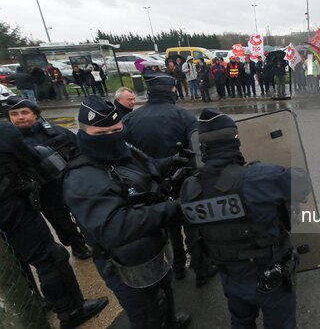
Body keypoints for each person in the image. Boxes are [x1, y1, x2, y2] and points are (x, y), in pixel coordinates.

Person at [62, 96, 191, 329]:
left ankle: (171, 322)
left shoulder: (120, 150)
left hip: (153, 248)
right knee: (146, 315)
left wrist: (171, 162)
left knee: (165, 291)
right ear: (83, 133)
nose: (111, 136)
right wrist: (174, 208)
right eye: (101, 133)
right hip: (126, 264)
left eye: (116, 129)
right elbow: (116, 226)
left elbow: (139, 170)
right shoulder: (83, 178)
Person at [181, 109, 312, 328]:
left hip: (231, 279)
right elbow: (302, 182)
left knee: (241, 323)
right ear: (235, 139)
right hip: (272, 280)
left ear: (203, 146)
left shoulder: (190, 188)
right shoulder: (258, 177)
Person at [0, 120, 108, 329]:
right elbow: (30, 158)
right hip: (12, 207)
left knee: (16, 262)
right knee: (50, 258)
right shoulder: (4, 131)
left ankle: (37, 301)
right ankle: (72, 311)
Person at [123, 71, 216, 284]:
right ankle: (201, 269)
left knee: (167, 225)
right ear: (172, 89)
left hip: (150, 184)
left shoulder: (130, 118)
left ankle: (177, 267)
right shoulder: (182, 115)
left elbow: (127, 155)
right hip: (183, 179)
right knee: (192, 224)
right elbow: (197, 150)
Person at [3, 96, 93, 259]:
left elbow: (80, 149)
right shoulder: (9, 142)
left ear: (35, 114)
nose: (20, 117)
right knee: (61, 221)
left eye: (25, 112)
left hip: (71, 180)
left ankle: (95, 239)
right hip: (43, 190)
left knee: (86, 212)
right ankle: (76, 244)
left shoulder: (56, 131)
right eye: (14, 114)